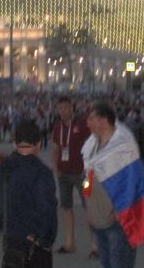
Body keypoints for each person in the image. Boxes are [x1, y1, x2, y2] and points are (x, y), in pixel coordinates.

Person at [82, 101, 144, 268]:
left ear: (104, 121)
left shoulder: (123, 146)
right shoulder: (91, 147)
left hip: (118, 222)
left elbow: (133, 182)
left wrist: (123, 211)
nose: (87, 123)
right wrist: (88, 206)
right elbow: (87, 178)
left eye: (91, 118)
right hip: (99, 221)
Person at [0, 120, 57, 268]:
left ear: (15, 143)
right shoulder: (42, 172)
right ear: (39, 144)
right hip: (35, 243)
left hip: (11, 240)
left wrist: (5, 226)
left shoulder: (3, 169)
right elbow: (47, 209)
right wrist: (44, 238)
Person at [50, 96, 95, 256]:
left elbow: (93, 144)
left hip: (83, 174)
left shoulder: (82, 124)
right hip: (64, 175)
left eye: (65, 108)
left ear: (71, 108)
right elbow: (55, 149)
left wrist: (90, 168)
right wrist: (56, 170)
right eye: (60, 108)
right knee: (66, 208)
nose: (63, 111)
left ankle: (95, 245)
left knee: (89, 207)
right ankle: (69, 243)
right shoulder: (57, 127)